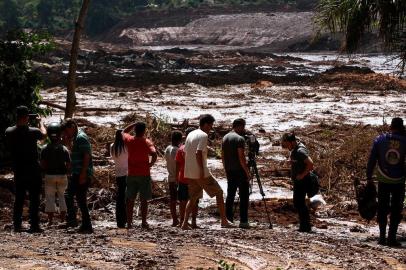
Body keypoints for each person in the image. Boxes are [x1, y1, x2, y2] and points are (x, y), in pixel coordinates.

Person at [181, 114, 232, 229]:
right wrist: (201, 170)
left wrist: (190, 168)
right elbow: (198, 153)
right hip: (201, 172)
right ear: (205, 124)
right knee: (219, 193)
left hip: (190, 172)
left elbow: (185, 152)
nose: (211, 128)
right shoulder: (203, 136)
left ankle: (184, 223)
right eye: (210, 125)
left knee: (193, 197)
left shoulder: (191, 134)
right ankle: (224, 221)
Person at [5, 106, 46, 233]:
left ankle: (17, 224)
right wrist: (41, 122)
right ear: (27, 117)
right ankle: (34, 225)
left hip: (18, 169)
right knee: (34, 198)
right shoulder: (34, 131)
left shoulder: (9, 131)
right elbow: (44, 135)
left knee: (19, 198)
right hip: (33, 170)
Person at [367, 117, 406, 246]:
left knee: (382, 207)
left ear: (390, 126)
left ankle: (382, 238)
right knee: (396, 209)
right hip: (399, 180)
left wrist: (369, 177)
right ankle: (392, 238)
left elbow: (372, 160)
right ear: (402, 127)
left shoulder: (380, 139)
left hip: (383, 179)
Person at [122, 122, 157, 229]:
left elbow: (123, 132)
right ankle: (143, 222)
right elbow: (154, 154)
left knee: (130, 199)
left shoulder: (129, 140)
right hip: (144, 173)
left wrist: (132, 124)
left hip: (132, 173)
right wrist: (150, 164)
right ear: (144, 131)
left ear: (135, 130)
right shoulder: (146, 142)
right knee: (144, 199)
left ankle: (129, 222)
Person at [62, 119, 94, 234]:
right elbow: (74, 153)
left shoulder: (81, 137)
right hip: (78, 172)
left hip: (82, 173)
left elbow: (87, 156)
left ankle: (74, 220)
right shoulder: (76, 137)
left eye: (66, 131)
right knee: (80, 199)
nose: (66, 134)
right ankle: (85, 225)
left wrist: (83, 174)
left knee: (71, 196)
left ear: (72, 127)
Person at [281, 132, 314, 233]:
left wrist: (302, 175)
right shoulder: (296, 149)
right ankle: (304, 225)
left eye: (286, 144)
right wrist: (292, 162)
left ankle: (305, 226)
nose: (286, 147)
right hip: (299, 180)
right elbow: (300, 161)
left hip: (302, 180)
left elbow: (310, 164)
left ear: (291, 142)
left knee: (299, 202)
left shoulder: (300, 151)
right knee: (298, 202)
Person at [222, 118, 251, 229]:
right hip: (240, 171)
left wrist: (226, 169)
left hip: (230, 170)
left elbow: (223, 156)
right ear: (239, 126)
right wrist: (247, 172)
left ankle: (228, 219)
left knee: (230, 195)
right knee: (244, 196)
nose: (244, 129)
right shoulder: (240, 139)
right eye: (243, 127)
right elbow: (241, 157)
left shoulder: (225, 137)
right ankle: (243, 221)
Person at [41, 122, 71, 225]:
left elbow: (43, 164)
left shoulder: (44, 149)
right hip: (62, 175)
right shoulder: (64, 149)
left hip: (49, 175)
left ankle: (50, 221)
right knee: (62, 196)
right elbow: (68, 163)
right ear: (60, 134)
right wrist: (66, 172)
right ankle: (62, 219)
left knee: (50, 197)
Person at [176, 127, 200, 228]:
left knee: (183, 201)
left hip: (183, 177)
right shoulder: (196, 149)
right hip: (194, 178)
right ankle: (193, 221)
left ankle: (182, 221)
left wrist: (176, 178)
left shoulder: (181, 148)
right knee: (194, 201)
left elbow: (177, 165)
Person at [110, 129, 128, 228]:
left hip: (118, 174)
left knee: (120, 197)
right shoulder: (126, 146)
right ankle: (125, 219)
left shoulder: (112, 146)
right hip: (127, 174)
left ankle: (119, 220)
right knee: (126, 197)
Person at [164, 130, 183, 226]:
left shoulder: (168, 148)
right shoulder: (176, 150)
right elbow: (178, 165)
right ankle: (181, 219)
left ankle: (175, 219)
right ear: (179, 140)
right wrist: (177, 178)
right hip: (177, 178)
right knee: (181, 199)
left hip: (170, 176)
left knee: (173, 200)